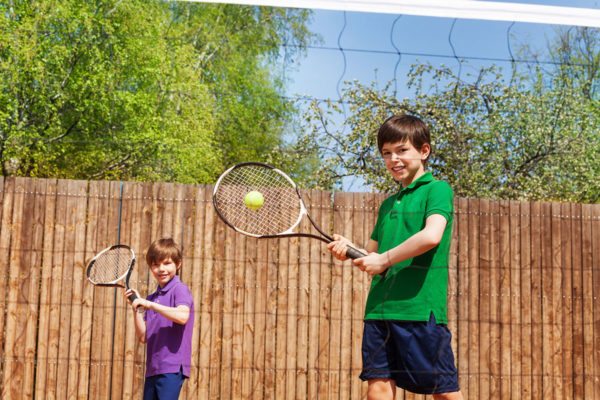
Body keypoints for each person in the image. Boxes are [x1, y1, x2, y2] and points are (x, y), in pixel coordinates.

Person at [327, 114, 463, 400]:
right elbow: (371, 256)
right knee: (377, 385)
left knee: (443, 391)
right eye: (386, 153)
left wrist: (383, 259)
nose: (393, 159)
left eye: (402, 150)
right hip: (378, 310)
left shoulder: (437, 190)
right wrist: (349, 248)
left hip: (418, 309)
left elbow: (431, 235)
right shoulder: (389, 203)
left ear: (424, 151)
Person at [124, 238, 194, 400]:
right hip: (153, 369)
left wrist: (149, 305)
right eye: (155, 264)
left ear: (178, 264)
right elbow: (143, 337)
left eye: (167, 263)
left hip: (172, 367)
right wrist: (136, 309)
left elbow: (183, 316)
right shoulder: (153, 297)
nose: (161, 269)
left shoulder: (180, 289)